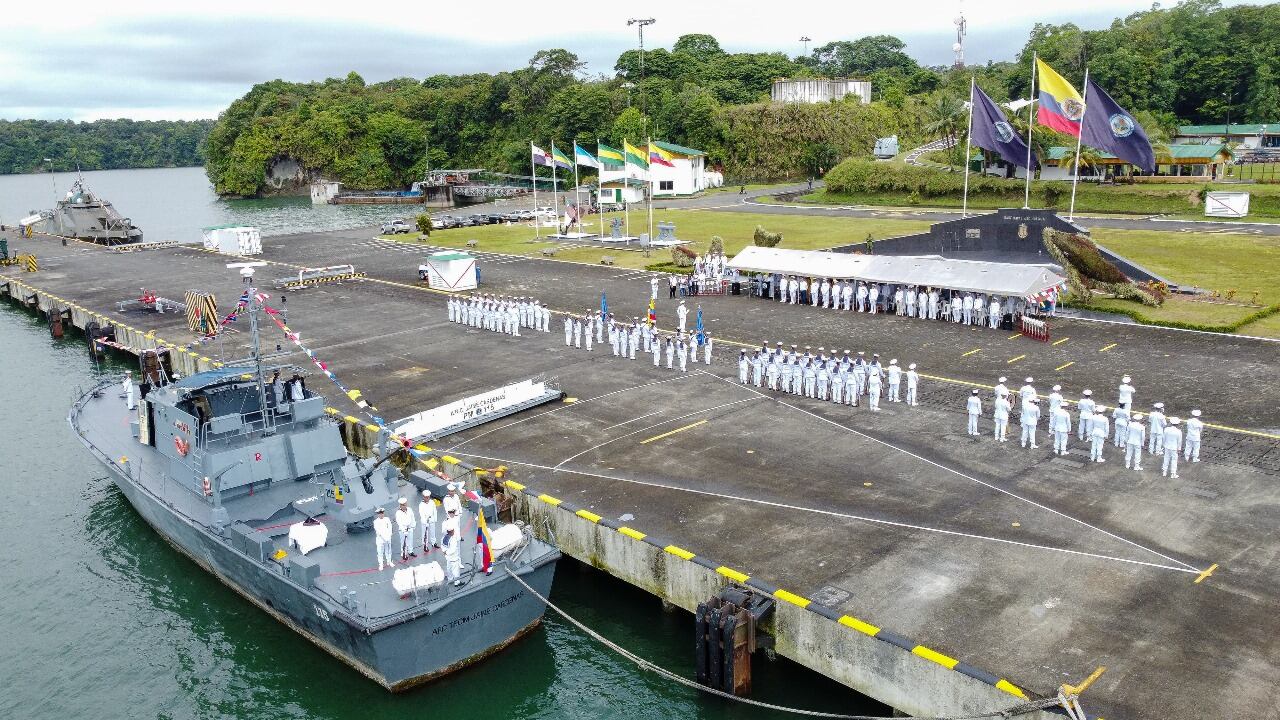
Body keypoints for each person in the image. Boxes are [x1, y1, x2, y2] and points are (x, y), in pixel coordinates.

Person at [442, 508, 463, 585]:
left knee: (449, 567)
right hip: (453, 555)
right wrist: (447, 552)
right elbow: (453, 550)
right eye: (451, 512)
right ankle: (457, 582)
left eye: (453, 512)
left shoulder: (444, 538)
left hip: (448, 555)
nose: (452, 514)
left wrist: (445, 552)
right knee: (455, 568)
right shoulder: (446, 522)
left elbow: (443, 545)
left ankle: (450, 579)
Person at [395, 497, 417, 561]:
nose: (404, 506)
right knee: (403, 542)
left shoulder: (409, 509)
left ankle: (410, 551)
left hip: (409, 527)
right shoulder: (398, 513)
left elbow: (412, 517)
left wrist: (413, 525)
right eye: (403, 505)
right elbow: (399, 522)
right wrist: (404, 530)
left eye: (405, 504)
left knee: (410, 540)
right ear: (400, 505)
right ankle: (404, 553)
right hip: (403, 529)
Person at [373, 507, 395, 571]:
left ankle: (389, 561)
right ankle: (381, 564)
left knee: (388, 550)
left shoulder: (387, 519)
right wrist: (384, 538)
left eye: (382, 513)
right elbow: (378, 531)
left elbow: (390, 527)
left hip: (388, 537)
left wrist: (389, 535)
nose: (381, 514)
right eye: (380, 513)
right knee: (380, 552)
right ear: (378, 514)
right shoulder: (376, 521)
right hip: (380, 539)